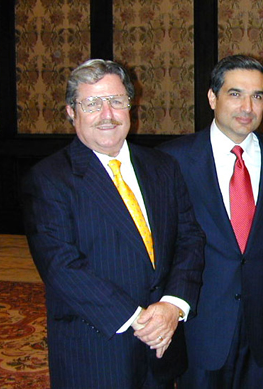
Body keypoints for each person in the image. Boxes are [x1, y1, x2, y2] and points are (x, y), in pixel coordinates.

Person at [21, 59, 206, 388]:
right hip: (95, 348)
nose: (107, 115)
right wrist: (140, 321)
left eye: (117, 101)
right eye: (92, 104)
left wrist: (172, 305)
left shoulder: (162, 166)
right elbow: (61, 266)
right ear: (70, 112)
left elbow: (189, 239)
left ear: (130, 107)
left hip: (164, 340)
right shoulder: (50, 178)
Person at [159, 54, 263, 388]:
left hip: (260, 322)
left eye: (258, 96)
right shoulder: (171, 160)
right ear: (212, 97)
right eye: (235, 93)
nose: (247, 106)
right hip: (199, 320)